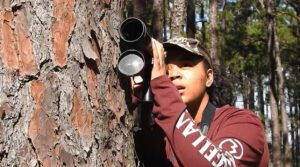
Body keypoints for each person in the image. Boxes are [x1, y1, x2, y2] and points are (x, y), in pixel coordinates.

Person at [130, 37, 269, 167]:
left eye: (185, 65)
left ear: (209, 77)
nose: (173, 74)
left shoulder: (242, 123)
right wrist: (130, 98)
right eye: (165, 70)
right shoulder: (160, 138)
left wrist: (162, 87)